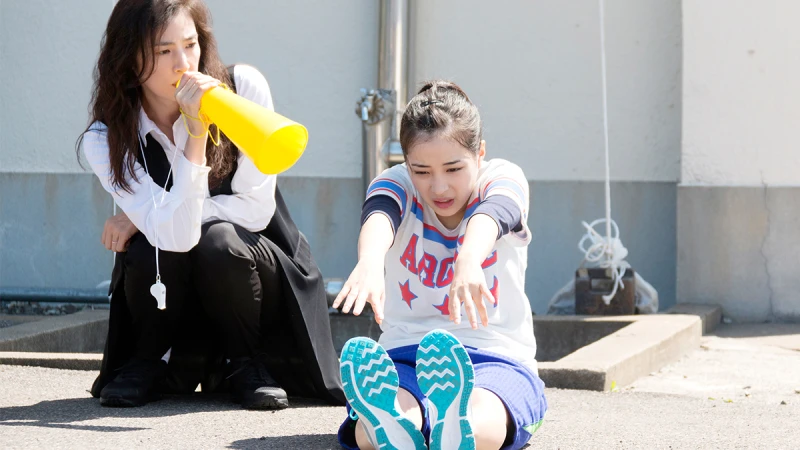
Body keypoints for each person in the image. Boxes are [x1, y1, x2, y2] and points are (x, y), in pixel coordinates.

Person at [76, 0, 343, 410]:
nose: (183, 64)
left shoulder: (243, 87)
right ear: (129, 60)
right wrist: (196, 137)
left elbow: (255, 210)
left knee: (216, 241)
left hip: (256, 271)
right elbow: (173, 237)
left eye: (190, 44)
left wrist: (147, 216)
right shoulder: (105, 138)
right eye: (164, 51)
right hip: (171, 280)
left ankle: (247, 364)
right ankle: (150, 361)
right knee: (151, 245)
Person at [332, 80, 548, 449]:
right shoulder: (395, 182)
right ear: (406, 163)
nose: (439, 187)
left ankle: (452, 423)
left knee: (485, 412)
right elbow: (380, 214)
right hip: (406, 354)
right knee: (375, 429)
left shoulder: (502, 176)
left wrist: (469, 258)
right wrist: (369, 260)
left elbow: (496, 212)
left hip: (495, 356)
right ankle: (403, 424)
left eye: (453, 169)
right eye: (422, 171)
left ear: (479, 154)